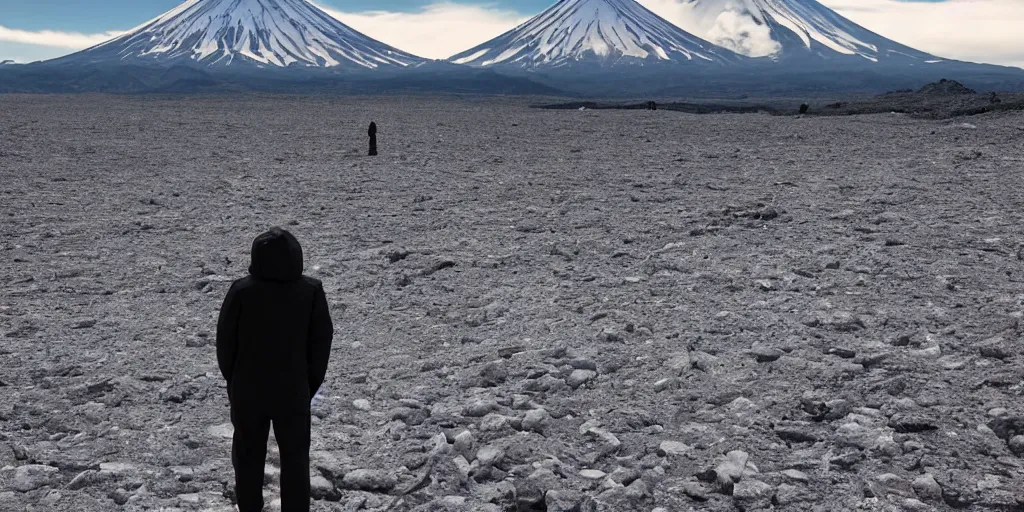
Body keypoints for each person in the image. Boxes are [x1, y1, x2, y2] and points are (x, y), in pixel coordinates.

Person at [217, 227, 334, 512]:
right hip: (293, 390)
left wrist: (234, 380)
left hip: (248, 390)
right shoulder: (311, 291)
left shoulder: (242, 290)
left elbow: (225, 342)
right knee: (295, 462)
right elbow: (321, 343)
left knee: (247, 459)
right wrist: (308, 384)